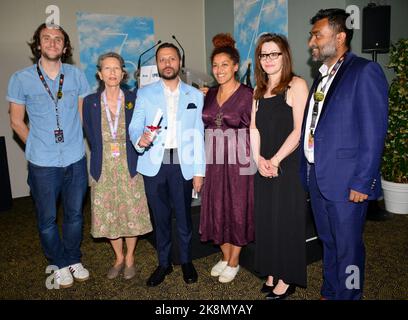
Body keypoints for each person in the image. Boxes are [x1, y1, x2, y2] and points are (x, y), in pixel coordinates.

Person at [300, 9, 388, 300]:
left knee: (348, 248)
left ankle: (350, 294)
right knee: (328, 242)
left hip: (348, 182)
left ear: (340, 37)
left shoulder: (365, 71)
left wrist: (364, 182)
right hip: (319, 177)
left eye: (318, 35)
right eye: (312, 35)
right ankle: (331, 290)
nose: (312, 41)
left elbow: (373, 133)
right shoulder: (322, 76)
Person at [7, 23, 90, 288]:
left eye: (58, 39)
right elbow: (17, 122)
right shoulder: (21, 78)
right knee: (47, 219)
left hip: (76, 158)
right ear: (38, 45)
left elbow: (82, 115)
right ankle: (58, 263)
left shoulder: (76, 76)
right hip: (43, 164)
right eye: (47, 38)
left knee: (75, 214)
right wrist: (39, 145)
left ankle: (73, 257)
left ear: (65, 47)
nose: (53, 42)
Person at [129, 42, 205, 287]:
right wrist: (138, 139)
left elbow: (198, 134)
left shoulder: (194, 95)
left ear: (179, 62)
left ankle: (186, 261)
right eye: (162, 59)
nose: (168, 63)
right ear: (157, 64)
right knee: (160, 217)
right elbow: (134, 125)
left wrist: (199, 171)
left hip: (182, 163)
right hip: (154, 162)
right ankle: (163, 263)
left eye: (172, 58)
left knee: (183, 216)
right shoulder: (145, 93)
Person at [82, 52, 152, 280]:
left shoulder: (134, 97)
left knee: (131, 212)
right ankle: (118, 257)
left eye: (116, 68)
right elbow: (91, 135)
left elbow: (142, 126)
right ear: (99, 73)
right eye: (107, 69)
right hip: (102, 164)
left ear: (123, 73)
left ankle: (130, 257)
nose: (112, 73)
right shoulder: (90, 102)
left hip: (129, 162)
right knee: (108, 213)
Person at [250, 33, 309, 300]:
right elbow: (253, 128)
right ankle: (273, 270)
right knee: (267, 221)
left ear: (284, 55)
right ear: (259, 59)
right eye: (264, 54)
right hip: (263, 166)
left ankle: (287, 277)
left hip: (287, 166)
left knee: (285, 221)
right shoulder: (258, 90)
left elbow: (300, 131)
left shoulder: (296, 85)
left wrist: (274, 160)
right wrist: (257, 159)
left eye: (274, 53)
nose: (269, 59)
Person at [199, 33, 254, 283]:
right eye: (215, 65)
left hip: (238, 161)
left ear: (235, 67)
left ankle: (234, 260)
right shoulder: (209, 94)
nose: (219, 70)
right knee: (215, 207)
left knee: (236, 208)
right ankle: (224, 255)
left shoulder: (248, 95)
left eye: (225, 65)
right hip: (212, 160)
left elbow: (256, 130)